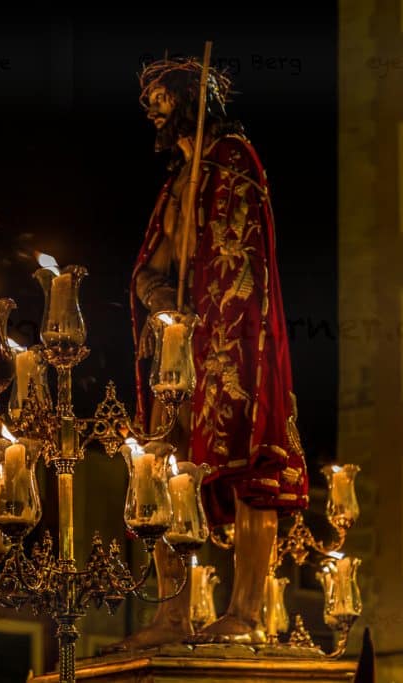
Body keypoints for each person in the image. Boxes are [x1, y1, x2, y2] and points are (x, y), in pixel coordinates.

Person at [125, 56, 309, 647]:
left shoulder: (232, 159)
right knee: (160, 468)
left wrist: (208, 316)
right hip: (177, 347)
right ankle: (172, 615)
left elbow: (239, 250)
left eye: (160, 98)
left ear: (188, 98)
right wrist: (158, 298)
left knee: (251, 466)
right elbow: (152, 267)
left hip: (230, 339)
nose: (151, 110)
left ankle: (246, 612)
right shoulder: (177, 182)